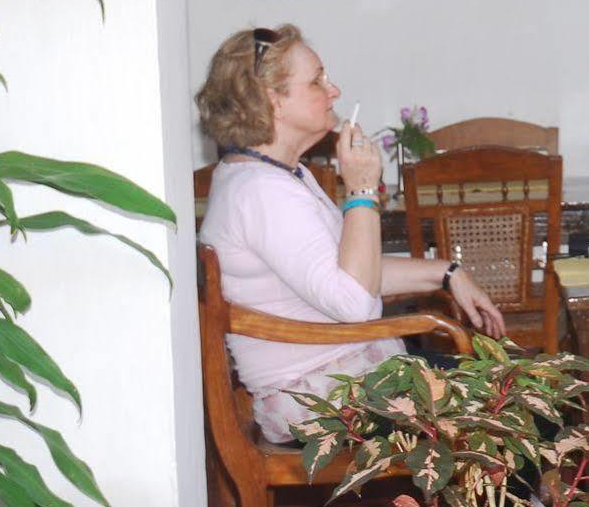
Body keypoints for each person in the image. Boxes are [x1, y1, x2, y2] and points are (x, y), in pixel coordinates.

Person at [195, 24, 506, 444]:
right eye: (317, 81)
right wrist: (361, 190)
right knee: (520, 404)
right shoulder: (262, 192)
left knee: (517, 386)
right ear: (274, 100)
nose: (334, 89)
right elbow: (356, 304)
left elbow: (351, 274)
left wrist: (447, 273)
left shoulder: (276, 176)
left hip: (349, 379)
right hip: (322, 403)